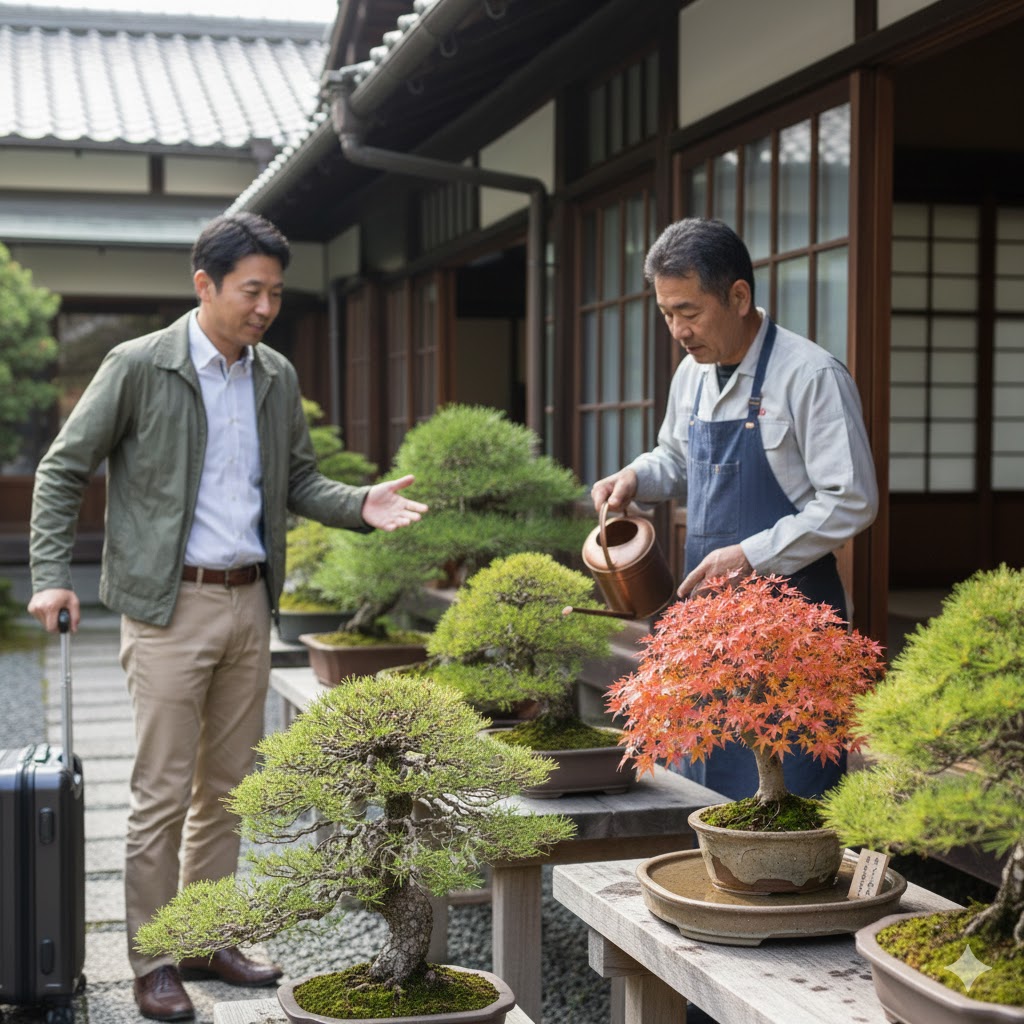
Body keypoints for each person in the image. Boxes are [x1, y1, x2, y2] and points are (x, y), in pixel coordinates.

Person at [27, 213, 428, 1022]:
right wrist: (48, 577)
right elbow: (63, 469)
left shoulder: (273, 375)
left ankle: (209, 936)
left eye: (277, 292)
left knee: (230, 791)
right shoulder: (139, 365)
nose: (266, 307)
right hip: (168, 606)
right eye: (253, 290)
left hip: (250, 601)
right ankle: (153, 960)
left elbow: (301, 483)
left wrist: (359, 504)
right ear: (203, 284)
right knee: (161, 793)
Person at [592, 217, 878, 802]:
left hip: (791, 628)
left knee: (791, 795)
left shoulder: (811, 375)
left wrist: (750, 554)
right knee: (700, 787)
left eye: (689, 311)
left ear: (739, 297)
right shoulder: (690, 376)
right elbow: (675, 456)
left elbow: (852, 499)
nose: (677, 329)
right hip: (705, 628)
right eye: (667, 313)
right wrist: (635, 476)